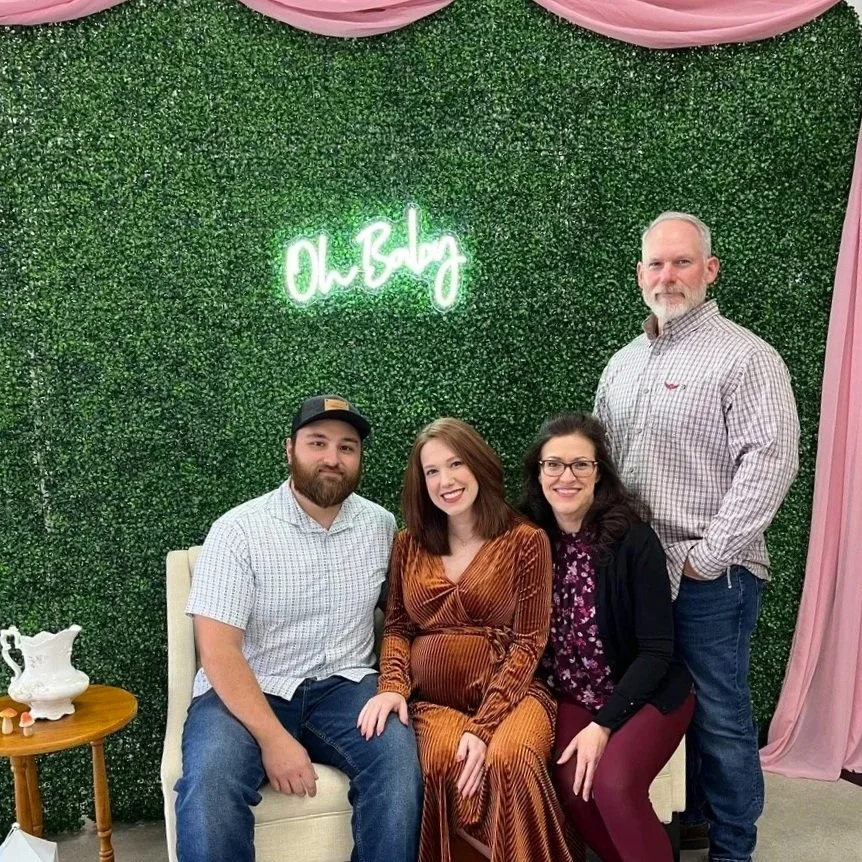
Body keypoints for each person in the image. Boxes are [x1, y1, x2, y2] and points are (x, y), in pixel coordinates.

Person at [595, 212, 800, 862]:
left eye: (682, 262)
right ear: (639, 275)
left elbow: (770, 461)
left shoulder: (746, 357)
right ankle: (690, 823)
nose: (668, 276)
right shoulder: (622, 365)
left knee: (719, 717)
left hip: (711, 578)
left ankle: (732, 850)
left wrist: (706, 559)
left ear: (709, 270)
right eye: (656, 264)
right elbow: (600, 467)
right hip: (637, 580)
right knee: (656, 705)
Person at [174, 394, 423, 862]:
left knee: (396, 765)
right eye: (317, 443)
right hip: (249, 688)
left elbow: (402, 617)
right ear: (289, 450)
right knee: (211, 782)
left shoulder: (380, 526)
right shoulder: (238, 530)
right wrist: (274, 740)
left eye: (347, 447)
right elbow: (219, 651)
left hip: (347, 687)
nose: (333, 458)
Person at [358, 418, 573, 862]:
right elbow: (398, 626)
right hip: (433, 704)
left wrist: (483, 726)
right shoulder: (408, 544)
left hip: (513, 697)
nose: (446, 481)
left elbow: (529, 642)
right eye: (432, 471)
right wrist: (392, 686)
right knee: (445, 763)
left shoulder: (526, 540)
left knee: (511, 759)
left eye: (456, 464)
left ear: (478, 465)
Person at [519, 411, 694, 862]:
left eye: (581, 464)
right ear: (538, 473)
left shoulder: (634, 541)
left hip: (648, 692)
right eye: (553, 464)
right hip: (576, 694)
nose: (567, 477)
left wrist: (604, 725)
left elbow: (657, 651)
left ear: (599, 473)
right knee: (573, 787)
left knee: (614, 785)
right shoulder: (529, 539)